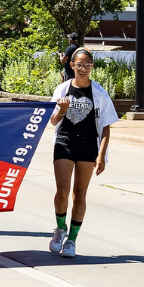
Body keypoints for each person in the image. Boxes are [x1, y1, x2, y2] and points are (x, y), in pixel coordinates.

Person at [49, 48, 118, 258]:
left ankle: (72, 239)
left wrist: (101, 155)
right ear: (72, 65)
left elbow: (106, 127)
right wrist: (62, 110)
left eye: (87, 65)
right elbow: (52, 121)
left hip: (88, 145)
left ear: (92, 67)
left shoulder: (99, 92)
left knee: (79, 194)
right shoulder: (62, 89)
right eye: (79, 65)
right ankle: (60, 228)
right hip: (64, 142)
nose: (83, 69)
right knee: (62, 191)